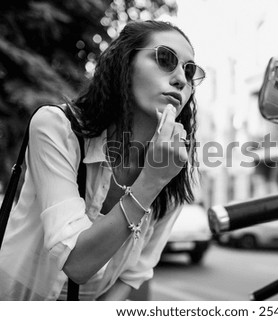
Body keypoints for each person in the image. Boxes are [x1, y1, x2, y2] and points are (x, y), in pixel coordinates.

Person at [0, 20, 205, 300]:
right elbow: (75, 262)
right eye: (165, 58)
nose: (181, 78)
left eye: (190, 70)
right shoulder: (57, 127)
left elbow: (133, 275)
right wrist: (150, 181)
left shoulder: (175, 171)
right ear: (125, 65)